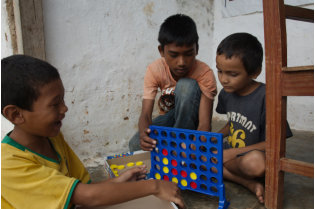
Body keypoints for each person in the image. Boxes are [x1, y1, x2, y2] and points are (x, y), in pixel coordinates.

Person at [1, 55, 184, 209]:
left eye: (63, 100)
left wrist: (117, 182)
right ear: (15, 114)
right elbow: (86, 196)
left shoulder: (53, 138)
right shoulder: (7, 167)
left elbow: (78, 190)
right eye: (55, 104)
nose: (64, 109)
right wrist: (154, 186)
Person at [215, 33, 293, 204]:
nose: (223, 79)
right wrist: (215, 139)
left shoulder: (267, 97)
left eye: (232, 74)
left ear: (255, 72)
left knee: (255, 163)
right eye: (219, 71)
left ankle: (221, 164)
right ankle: (248, 184)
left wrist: (229, 154)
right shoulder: (226, 94)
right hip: (233, 156)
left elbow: (276, 142)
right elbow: (233, 123)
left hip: (255, 158)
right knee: (191, 152)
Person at [129, 14, 217, 152]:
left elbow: (205, 124)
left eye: (188, 54)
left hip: (192, 123)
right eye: (174, 55)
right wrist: (144, 135)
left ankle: (179, 145)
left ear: (197, 50)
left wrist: (198, 142)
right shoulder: (155, 69)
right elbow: (146, 114)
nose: (181, 62)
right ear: (161, 51)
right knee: (135, 145)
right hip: (170, 119)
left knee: (186, 85)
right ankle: (174, 147)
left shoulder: (205, 73)